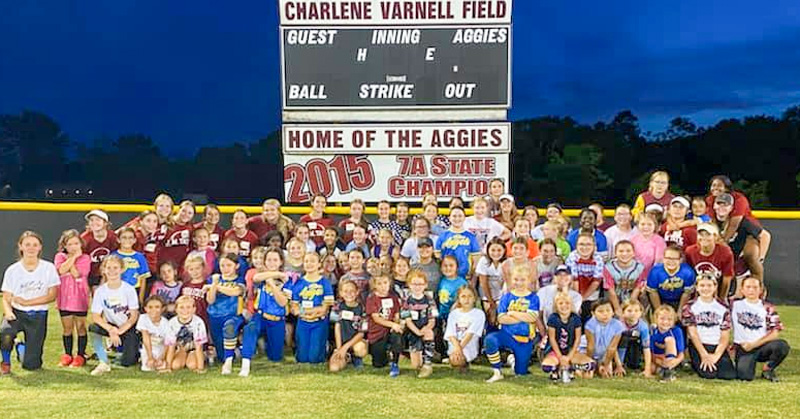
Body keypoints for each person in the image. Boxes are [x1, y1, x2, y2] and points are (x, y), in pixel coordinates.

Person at [1, 231, 60, 374]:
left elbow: (52, 295)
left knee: (32, 365)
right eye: (27, 244)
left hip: (38, 315)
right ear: (20, 246)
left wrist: (28, 302)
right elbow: (6, 296)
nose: (31, 248)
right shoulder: (13, 270)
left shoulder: (48, 268)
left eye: (35, 245)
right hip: (17, 312)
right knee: (5, 333)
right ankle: (6, 362)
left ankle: (20, 346)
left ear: (40, 247)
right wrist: (8, 312)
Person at [484, 266, 539, 383]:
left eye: (523, 280)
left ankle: (513, 361)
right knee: (490, 339)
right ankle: (497, 371)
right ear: (511, 280)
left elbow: (532, 317)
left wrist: (512, 313)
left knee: (521, 372)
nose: (519, 283)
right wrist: (523, 316)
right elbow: (501, 319)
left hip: (524, 339)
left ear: (529, 280)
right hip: (507, 335)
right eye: (516, 279)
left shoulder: (533, 298)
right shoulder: (506, 297)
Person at [241, 248, 291, 375]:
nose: (272, 263)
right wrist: (275, 274)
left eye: (275, 260)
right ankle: (245, 363)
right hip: (261, 316)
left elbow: (283, 302)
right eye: (269, 260)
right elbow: (256, 278)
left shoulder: (287, 279)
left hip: (277, 320)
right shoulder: (262, 275)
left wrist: (273, 285)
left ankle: (264, 345)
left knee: (275, 357)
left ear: (281, 262)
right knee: (250, 328)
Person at [731, 276, 790, 382]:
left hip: (761, 346)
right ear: (741, 290)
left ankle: (768, 368)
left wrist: (754, 344)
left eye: (755, 287)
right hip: (743, 347)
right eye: (748, 287)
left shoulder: (768, 307)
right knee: (745, 376)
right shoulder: (734, 305)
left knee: (782, 346)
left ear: (760, 290)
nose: (751, 290)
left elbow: (775, 332)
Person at [88, 255, 140, 375]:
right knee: (93, 328)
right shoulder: (100, 291)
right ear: (104, 270)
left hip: (128, 327)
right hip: (112, 326)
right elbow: (96, 316)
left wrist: (119, 331)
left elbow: (134, 316)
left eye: (115, 268)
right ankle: (103, 360)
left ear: (122, 269)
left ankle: (126, 351)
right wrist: (111, 329)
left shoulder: (129, 289)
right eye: (109, 268)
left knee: (127, 362)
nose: (112, 271)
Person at [681, 274, 736, 380]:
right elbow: (693, 334)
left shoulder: (723, 307)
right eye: (702, 285)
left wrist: (716, 355)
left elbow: (725, 335)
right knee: (709, 374)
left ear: (715, 287)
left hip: (716, 344)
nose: (705, 288)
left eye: (709, 285)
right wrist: (704, 355)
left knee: (729, 375)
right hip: (699, 345)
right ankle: (694, 362)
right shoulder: (689, 307)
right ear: (697, 288)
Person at [712, 192, 770, 281]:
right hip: (723, 258)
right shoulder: (710, 220)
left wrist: (760, 259)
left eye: (725, 205)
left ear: (731, 208)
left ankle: (758, 283)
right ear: (714, 206)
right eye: (719, 204)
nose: (721, 208)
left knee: (751, 254)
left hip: (739, 255)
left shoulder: (742, 221)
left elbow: (765, 236)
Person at [54, 229, 91, 368]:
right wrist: (73, 257)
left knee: (80, 327)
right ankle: (67, 354)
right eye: (69, 244)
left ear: (81, 244)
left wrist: (73, 260)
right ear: (64, 246)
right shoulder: (60, 256)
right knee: (67, 328)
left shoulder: (85, 258)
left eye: (76, 243)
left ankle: (80, 355)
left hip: (80, 297)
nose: (73, 247)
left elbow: (77, 274)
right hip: (64, 298)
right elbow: (61, 270)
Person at [290, 252, 334, 364]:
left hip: (319, 322)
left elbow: (324, 309)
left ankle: (325, 348)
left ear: (319, 264)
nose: (309, 264)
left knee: (314, 359)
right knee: (302, 359)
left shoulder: (325, 283)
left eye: (313, 261)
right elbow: (294, 308)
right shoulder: (298, 283)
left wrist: (312, 313)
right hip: (303, 322)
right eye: (306, 261)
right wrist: (306, 313)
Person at [541, 292, 595, 382]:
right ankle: (556, 369)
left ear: (571, 305)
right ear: (556, 306)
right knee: (547, 366)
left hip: (571, 351)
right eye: (560, 303)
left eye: (567, 303)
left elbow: (577, 339)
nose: (564, 306)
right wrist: (560, 357)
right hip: (555, 351)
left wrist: (569, 357)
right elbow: (552, 339)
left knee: (590, 364)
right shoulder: (553, 318)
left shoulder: (575, 318)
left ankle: (571, 368)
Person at [206, 253, 246, 373]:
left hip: (232, 314)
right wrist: (214, 284)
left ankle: (229, 361)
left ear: (236, 266)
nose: (225, 268)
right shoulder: (214, 279)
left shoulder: (240, 279)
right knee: (221, 353)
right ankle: (233, 353)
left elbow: (235, 292)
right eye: (222, 265)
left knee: (229, 328)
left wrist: (216, 287)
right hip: (214, 315)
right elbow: (210, 300)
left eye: (229, 265)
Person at [401, 270, 437, 378]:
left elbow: (432, 320)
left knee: (429, 333)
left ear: (425, 285)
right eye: (414, 284)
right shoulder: (406, 300)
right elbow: (407, 320)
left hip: (425, 328)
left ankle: (428, 364)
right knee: (416, 365)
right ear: (409, 285)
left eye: (420, 284)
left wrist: (425, 329)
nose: (417, 287)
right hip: (412, 331)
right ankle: (419, 359)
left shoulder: (429, 300)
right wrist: (417, 331)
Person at [366, 275, 404, 377]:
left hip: (391, 330)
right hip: (377, 332)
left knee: (397, 335)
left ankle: (395, 363)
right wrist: (392, 324)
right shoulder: (371, 299)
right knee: (378, 364)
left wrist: (396, 324)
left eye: (385, 283)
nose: (383, 286)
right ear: (374, 285)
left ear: (389, 283)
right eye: (379, 284)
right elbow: (376, 318)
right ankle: (387, 355)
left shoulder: (393, 297)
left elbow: (396, 314)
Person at [685, 223, 735, 299]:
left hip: (720, 285)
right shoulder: (690, 251)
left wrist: (722, 298)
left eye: (708, 235)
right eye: (701, 235)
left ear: (715, 236)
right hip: (699, 287)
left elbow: (727, 277)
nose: (704, 238)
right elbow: (689, 275)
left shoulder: (725, 252)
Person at [705, 175, 761, 241]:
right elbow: (712, 221)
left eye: (719, 185)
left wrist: (724, 241)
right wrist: (718, 239)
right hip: (723, 226)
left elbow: (734, 224)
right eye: (713, 185)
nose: (715, 188)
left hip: (745, 228)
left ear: (727, 188)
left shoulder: (739, 199)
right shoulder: (710, 199)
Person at [329, 280, 368, 372]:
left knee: (360, 349)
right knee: (334, 368)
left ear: (357, 292)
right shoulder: (337, 306)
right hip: (340, 342)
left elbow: (361, 333)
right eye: (345, 291)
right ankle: (346, 357)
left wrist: (345, 348)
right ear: (341, 293)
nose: (349, 294)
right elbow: (337, 327)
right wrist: (339, 349)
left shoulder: (363, 308)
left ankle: (356, 358)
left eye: (352, 291)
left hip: (355, 342)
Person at [444, 286, 485, 372]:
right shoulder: (453, 314)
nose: (467, 299)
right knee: (455, 359)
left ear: (474, 298)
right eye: (463, 296)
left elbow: (470, 334)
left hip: (468, 346)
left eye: (470, 296)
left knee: (460, 359)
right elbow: (451, 334)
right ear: (458, 299)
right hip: (454, 346)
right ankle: (454, 362)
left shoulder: (479, 314)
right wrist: (456, 348)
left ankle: (464, 364)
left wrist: (459, 349)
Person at [163, 295, 208, 373]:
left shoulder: (198, 322)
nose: (185, 310)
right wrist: (168, 367)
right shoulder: (172, 323)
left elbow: (199, 347)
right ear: (176, 309)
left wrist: (200, 368)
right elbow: (171, 346)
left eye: (188, 307)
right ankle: (182, 355)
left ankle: (200, 357)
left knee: (192, 365)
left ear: (194, 309)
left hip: (194, 349)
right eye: (181, 307)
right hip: (181, 348)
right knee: (175, 366)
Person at [565, 233, 604, 322]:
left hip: (591, 293)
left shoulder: (598, 259)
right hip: (574, 291)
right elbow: (574, 280)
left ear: (594, 246)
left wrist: (582, 299)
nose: (585, 247)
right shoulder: (572, 257)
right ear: (576, 246)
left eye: (588, 244)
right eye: (581, 244)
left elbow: (596, 282)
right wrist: (577, 301)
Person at [584, 298, 626, 378]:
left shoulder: (617, 325)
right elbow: (590, 347)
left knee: (606, 373)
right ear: (593, 313)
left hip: (604, 353)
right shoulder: (590, 325)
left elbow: (612, 347)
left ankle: (599, 365)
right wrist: (589, 363)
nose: (605, 314)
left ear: (613, 312)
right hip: (587, 352)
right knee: (588, 375)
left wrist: (606, 365)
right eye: (600, 311)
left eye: (608, 310)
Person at [435, 207, 481, 280]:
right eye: (454, 216)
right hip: (446, 278)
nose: (457, 218)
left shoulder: (471, 237)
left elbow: (476, 260)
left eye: (460, 216)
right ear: (449, 218)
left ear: (464, 218)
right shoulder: (442, 236)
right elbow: (438, 259)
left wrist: (473, 279)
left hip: (465, 278)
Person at [646, 245, 696, 311]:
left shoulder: (688, 272)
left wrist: (680, 310)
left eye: (675, 259)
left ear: (680, 260)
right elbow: (653, 293)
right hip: (661, 299)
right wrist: (659, 310)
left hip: (679, 300)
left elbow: (686, 293)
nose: (671, 261)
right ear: (663, 259)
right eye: (668, 258)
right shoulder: (655, 271)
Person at [603, 240, 646, 316]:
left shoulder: (640, 267)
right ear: (615, 253)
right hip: (613, 299)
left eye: (628, 251)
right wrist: (617, 308)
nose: (625, 254)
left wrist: (630, 306)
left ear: (633, 253)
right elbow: (611, 290)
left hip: (632, 298)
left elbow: (637, 288)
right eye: (621, 251)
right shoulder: (608, 268)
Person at [80, 209, 119, 291]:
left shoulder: (113, 237)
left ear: (105, 223)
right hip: (91, 275)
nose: (94, 222)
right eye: (91, 220)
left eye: (98, 220)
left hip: (110, 273)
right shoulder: (85, 239)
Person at [112, 227, 151, 304]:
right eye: (124, 237)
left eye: (130, 238)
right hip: (117, 291)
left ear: (134, 240)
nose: (127, 240)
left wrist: (140, 299)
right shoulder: (113, 256)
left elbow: (143, 279)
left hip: (134, 290)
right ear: (118, 240)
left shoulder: (140, 257)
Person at [157, 200, 195, 277]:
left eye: (190, 213)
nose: (186, 214)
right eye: (183, 211)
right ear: (178, 209)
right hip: (162, 267)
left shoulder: (191, 228)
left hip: (179, 268)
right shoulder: (166, 222)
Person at [650, 305, 685, 382]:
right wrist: (659, 362)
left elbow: (681, 354)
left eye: (669, 319)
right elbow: (650, 352)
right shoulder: (653, 331)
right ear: (656, 319)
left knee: (669, 340)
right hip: (657, 358)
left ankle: (668, 371)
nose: (665, 322)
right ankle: (662, 370)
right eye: (662, 319)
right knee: (652, 368)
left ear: (674, 321)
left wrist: (675, 361)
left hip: (673, 358)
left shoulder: (677, 331)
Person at [477, 238, 506, 327]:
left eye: (499, 250)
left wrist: (500, 301)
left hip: (501, 293)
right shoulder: (483, 261)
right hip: (486, 293)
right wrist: (491, 302)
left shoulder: (506, 262)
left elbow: (506, 283)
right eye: (493, 250)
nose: (496, 253)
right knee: (490, 317)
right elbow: (483, 284)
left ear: (504, 250)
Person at [136, 295, 170, 372]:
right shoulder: (143, 318)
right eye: (150, 307)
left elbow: (167, 343)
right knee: (147, 368)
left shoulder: (166, 323)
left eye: (157, 307)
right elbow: (146, 338)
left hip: (161, 348)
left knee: (161, 366)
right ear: (145, 308)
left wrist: (162, 358)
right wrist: (150, 357)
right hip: (148, 348)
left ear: (162, 309)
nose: (153, 310)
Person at [618, 300, 652, 375]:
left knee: (634, 365)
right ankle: (620, 363)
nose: (633, 313)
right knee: (625, 337)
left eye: (636, 311)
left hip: (634, 345)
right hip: (620, 346)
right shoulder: (618, 325)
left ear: (641, 313)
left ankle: (633, 361)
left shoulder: (643, 327)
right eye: (629, 311)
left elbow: (646, 348)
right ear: (623, 313)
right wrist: (619, 366)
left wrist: (647, 369)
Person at [630, 212, 666, 277]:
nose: (646, 227)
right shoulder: (633, 240)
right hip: (634, 274)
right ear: (638, 225)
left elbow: (659, 262)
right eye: (643, 224)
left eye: (649, 224)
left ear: (654, 226)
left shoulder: (659, 241)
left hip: (653, 274)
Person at [436, 256, 469, 323]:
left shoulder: (462, 282)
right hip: (442, 316)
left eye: (451, 266)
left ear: (457, 267)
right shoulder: (441, 280)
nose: (448, 268)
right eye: (445, 266)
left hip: (456, 316)